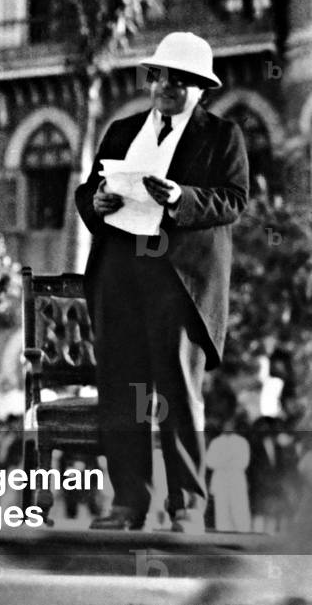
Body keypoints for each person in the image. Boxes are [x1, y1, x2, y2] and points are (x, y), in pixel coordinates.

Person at [75, 31, 248, 534]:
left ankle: (187, 505)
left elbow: (233, 200)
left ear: (201, 88)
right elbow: (88, 193)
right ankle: (128, 502)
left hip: (178, 278)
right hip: (121, 271)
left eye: (181, 80)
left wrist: (179, 198)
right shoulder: (122, 130)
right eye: (160, 77)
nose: (167, 87)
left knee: (177, 390)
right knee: (123, 389)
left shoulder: (222, 136)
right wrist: (97, 202)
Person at [206, 416, 251, 532]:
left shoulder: (241, 442)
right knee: (222, 511)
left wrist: (224, 462)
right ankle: (223, 534)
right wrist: (227, 461)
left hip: (236, 481)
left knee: (239, 510)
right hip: (221, 481)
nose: (228, 427)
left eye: (230, 425)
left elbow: (243, 462)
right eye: (226, 425)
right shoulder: (216, 442)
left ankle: (242, 533)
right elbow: (209, 461)